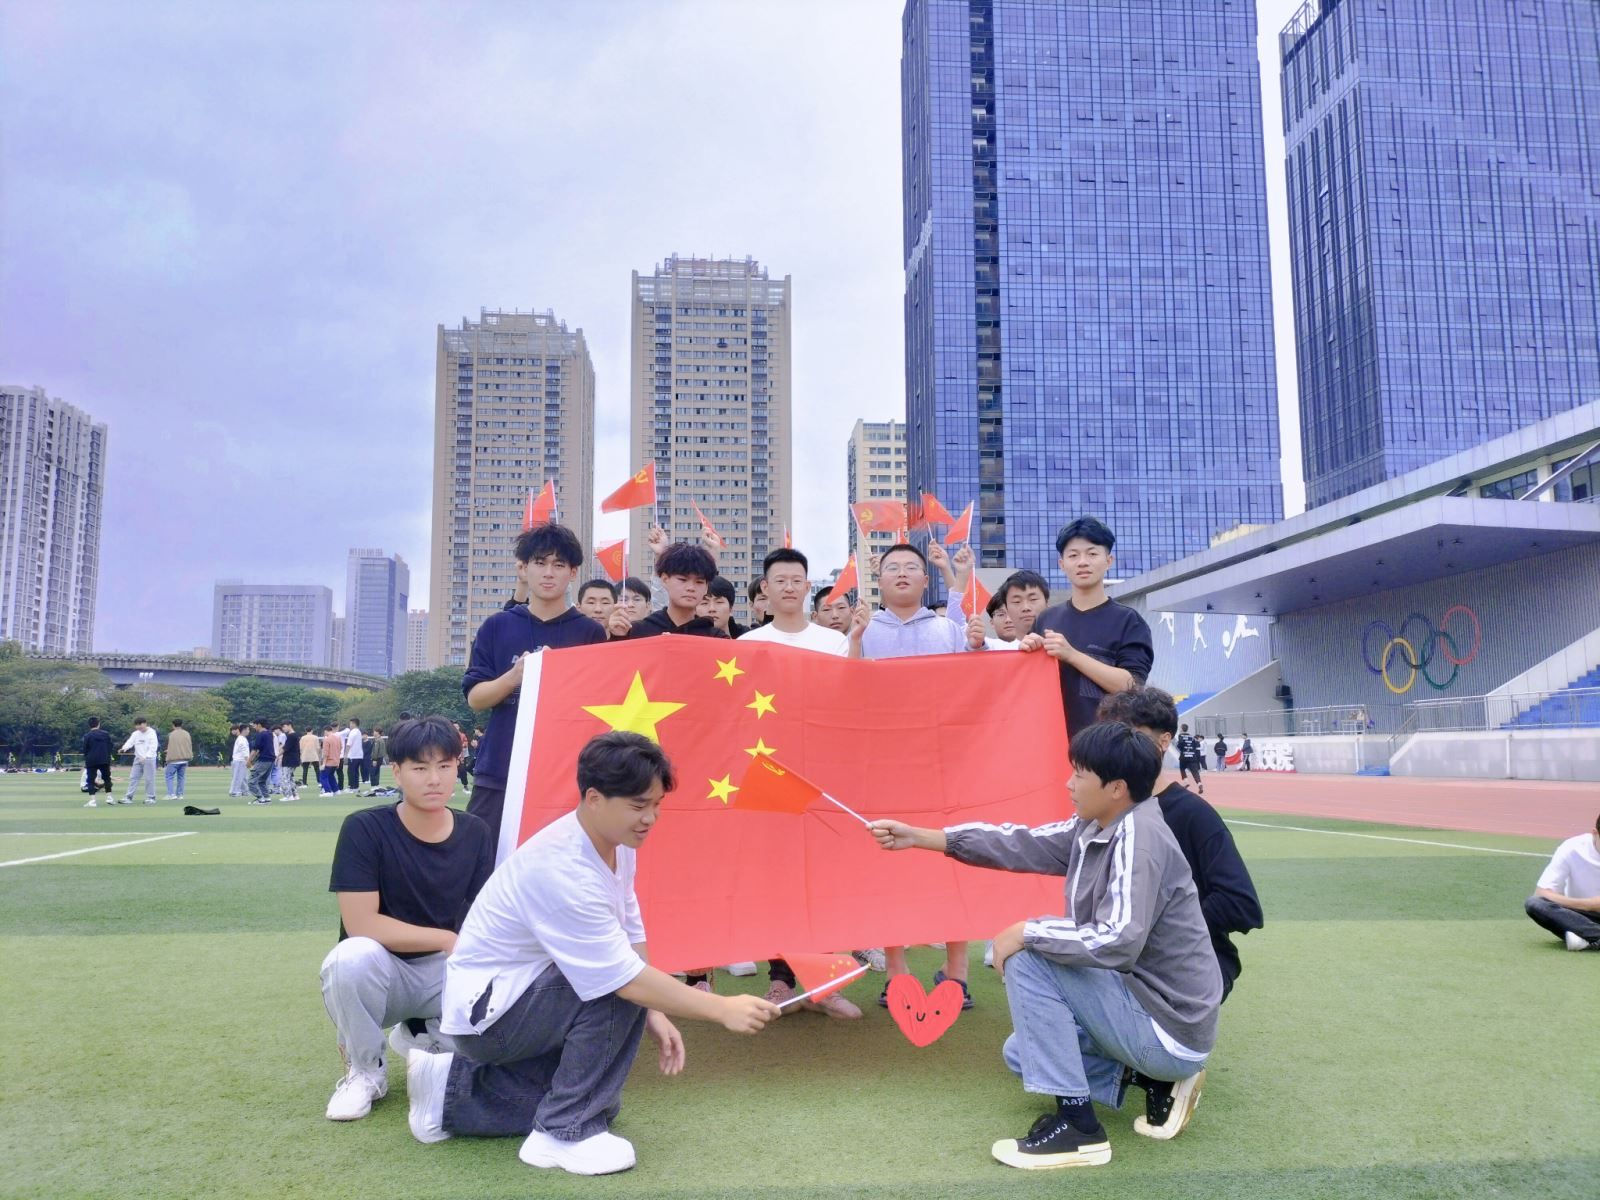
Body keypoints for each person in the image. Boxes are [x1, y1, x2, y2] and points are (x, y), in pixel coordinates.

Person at [407, 731, 780, 1175]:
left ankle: (447, 1091)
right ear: (594, 798)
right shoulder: (563, 867)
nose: (650, 818)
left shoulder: (614, 842)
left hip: (513, 999)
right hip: (487, 1017)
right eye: (638, 805)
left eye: (657, 804)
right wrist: (722, 1009)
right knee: (613, 990)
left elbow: (631, 930)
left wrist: (656, 1011)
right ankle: (562, 1132)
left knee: (603, 1099)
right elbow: (624, 978)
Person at [869, 721, 1220, 1168]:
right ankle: (1153, 1082)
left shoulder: (1139, 840)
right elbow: (1021, 843)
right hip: (1143, 1007)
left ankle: (1079, 1129)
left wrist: (1026, 933)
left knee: (1028, 956)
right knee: (1022, 1053)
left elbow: (1118, 941)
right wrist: (921, 838)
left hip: (1168, 1029)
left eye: (1079, 774)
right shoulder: (1098, 824)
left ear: (1116, 788)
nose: (1069, 784)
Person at [320, 715, 496, 1122]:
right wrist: (445, 939)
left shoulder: (475, 832)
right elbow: (362, 924)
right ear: (397, 771)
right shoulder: (365, 828)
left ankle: (422, 1031)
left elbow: (484, 916)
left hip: (443, 973)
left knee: (508, 982)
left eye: (445, 766)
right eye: (420, 768)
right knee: (349, 957)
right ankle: (365, 1072)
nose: (434, 779)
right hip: (383, 974)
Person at [737, 547, 866, 1019]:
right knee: (777, 879)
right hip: (768, 775)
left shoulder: (833, 641)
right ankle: (780, 980)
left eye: (797, 580)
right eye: (780, 580)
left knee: (825, 878)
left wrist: (856, 643)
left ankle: (826, 984)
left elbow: (852, 695)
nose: (789, 587)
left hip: (823, 774)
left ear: (808, 587)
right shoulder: (747, 644)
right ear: (765, 589)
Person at [856, 542, 984, 1009]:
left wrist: (977, 647)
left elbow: (976, 689)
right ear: (880, 580)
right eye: (893, 567)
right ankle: (897, 974)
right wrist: (853, 641)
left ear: (926, 579)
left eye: (912, 567)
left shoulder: (949, 630)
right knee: (889, 866)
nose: (903, 573)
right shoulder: (864, 631)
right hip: (884, 767)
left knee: (952, 860)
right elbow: (845, 690)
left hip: (943, 766)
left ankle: (957, 973)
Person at [1098, 689, 1262, 1003]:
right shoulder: (1106, 811)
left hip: (1192, 966)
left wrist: (1163, 928)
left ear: (1164, 741)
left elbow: (1241, 904)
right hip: (1127, 960)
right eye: (1113, 735)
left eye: (1132, 735)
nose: (1119, 747)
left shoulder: (1193, 815)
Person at [463, 523, 607, 847]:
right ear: (524, 568)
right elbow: (475, 698)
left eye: (559, 565)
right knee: (482, 858)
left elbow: (596, 706)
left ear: (573, 572)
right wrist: (515, 676)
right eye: (540, 563)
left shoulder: (590, 633)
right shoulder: (496, 626)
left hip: (566, 775)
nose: (548, 573)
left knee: (563, 863)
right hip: (500, 769)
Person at [1020, 516, 1154, 741]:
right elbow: (1028, 684)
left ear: (1108, 561)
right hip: (1052, 742)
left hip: (1110, 746)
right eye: (1073, 555)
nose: (1082, 562)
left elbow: (1133, 686)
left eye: (1092, 554)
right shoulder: (1046, 619)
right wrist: (1026, 651)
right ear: (1062, 564)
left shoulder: (1128, 621)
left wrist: (1072, 655)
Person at [614, 537, 728, 642]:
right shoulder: (637, 632)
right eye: (683, 580)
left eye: (699, 582)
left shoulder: (716, 638)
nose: (691, 588)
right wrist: (616, 636)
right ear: (665, 579)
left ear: (706, 587)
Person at [1524, 813, 1600, 951]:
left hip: (1583, 924)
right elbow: (1542, 893)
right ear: (1595, 833)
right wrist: (1589, 904)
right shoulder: (1573, 848)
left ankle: (1589, 939)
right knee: (1535, 904)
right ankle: (1593, 936)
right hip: (1581, 918)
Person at [1000, 569, 1050, 640]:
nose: (1026, 608)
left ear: (1047, 603)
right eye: (1017, 601)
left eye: (1033, 599)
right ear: (1006, 608)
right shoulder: (997, 646)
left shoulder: (1063, 643)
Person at [120, 717, 160, 805]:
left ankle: (151, 798)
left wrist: (146, 757)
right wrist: (124, 748)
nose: (138, 727)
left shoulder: (151, 733)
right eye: (137, 725)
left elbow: (153, 747)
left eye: (140, 725)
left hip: (149, 759)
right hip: (138, 759)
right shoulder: (135, 734)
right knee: (133, 778)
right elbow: (130, 742)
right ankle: (128, 797)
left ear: (145, 723)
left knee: (149, 779)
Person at [81, 717, 113, 806]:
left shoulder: (87, 736)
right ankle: (109, 798)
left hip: (91, 760)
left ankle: (93, 801)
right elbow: (110, 746)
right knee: (107, 778)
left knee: (90, 780)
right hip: (104, 759)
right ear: (99, 724)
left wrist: (87, 758)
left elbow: (85, 749)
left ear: (89, 725)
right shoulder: (105, 734)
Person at [162, 719, 192, 802]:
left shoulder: (171, 734)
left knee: (169, 776)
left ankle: (171, 794)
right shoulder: (187, 733)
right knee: (181, 777)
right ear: (181, 724)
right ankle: (180, 794)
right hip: (184, 759)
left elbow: (171, 746)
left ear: (173, 725)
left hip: (174, 759)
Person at [1174, 723, 1205, 795]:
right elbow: (1196, 745)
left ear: (1182, 729)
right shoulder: (1192, 737)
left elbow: (1179, 745)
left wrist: (1182, 748)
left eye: (1180, 728)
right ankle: (1199, 784)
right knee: (1195, 772)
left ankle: (1186, 782)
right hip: (1192, 757)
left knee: (1182, 768)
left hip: (1184, 756)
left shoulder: (1180, 736)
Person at [278, 721, 301, 803]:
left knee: (284, 778)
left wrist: (277, 756)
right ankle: (295, 795)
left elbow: (285, 748)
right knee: (290, 778)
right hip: (294, 759)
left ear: (289, 725)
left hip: (289, 760)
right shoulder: (295, 735)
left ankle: (288, 795)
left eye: (284, 726)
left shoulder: (291, 736)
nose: (283, 728)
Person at [343, 719, 366, 795]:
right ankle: (356, 787)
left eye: (350, 724)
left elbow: (348, 744)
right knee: (356, 772)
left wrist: (345, 754)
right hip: (359, 755)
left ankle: (351, 787)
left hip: (353, 755)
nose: (350, 725)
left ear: (354, 724)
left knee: (351, 771)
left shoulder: (352, 732)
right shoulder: (359, 732)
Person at [321, 724, 344, 796]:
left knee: (323, 776)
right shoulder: (338, 738)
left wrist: (323, 764)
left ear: (326, 731)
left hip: (329, 762)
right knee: (331, 776)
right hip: (336, 761)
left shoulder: (327, 739)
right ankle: (336, 790)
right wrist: (338, 761)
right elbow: (340, 749)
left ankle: (328, 791)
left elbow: (325, 753)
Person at [230, 725, 251, 797]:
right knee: (238, 777)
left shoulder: (242, 738)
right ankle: (234, 791)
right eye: (248, 729)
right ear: (244, 730)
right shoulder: (241, 739)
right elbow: (244, 750)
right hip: (239, 760)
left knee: (244, 777)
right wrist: (248, 760)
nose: (249, 731)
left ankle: (245, 791)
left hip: (241, 760)